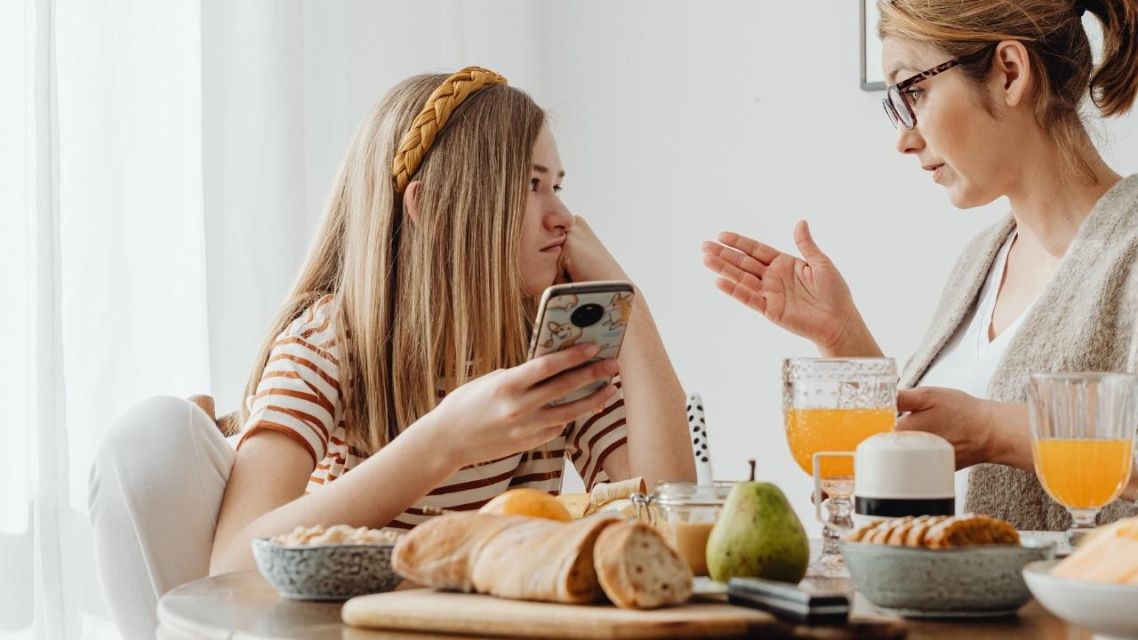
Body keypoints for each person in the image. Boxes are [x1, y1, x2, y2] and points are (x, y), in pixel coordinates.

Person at [90, 66, 695, 639]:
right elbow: (233, 563)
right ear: (430, 207)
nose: (563, 217)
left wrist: (629, 303)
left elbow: (670, 512)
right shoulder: (328, 339)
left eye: (557, 186)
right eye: (531, 186)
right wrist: (447, 439)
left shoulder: (541, 346)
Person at [702, 0, 1138, 531]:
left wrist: (993, 432)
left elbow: (979, 430)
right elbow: (923, 456)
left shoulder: (1130, 249)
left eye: (914, 92)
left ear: (1009, 73)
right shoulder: (981, 261)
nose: (904, 140)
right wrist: (843, 336)